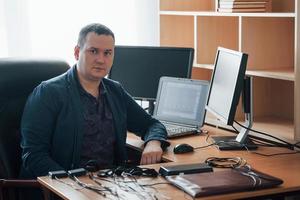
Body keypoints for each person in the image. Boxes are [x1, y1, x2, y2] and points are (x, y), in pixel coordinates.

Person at [20, 23, 170, 183]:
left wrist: (154, 143)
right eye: (93, 51)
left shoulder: (115, 91)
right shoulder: (48, 93)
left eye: (107, 53)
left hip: (112, 185)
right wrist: (72, 183)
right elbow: (33, 155)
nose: (101, 59)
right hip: (66, 187)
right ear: (77, 53)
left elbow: (151, 124)